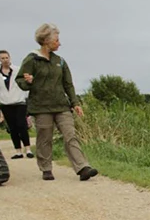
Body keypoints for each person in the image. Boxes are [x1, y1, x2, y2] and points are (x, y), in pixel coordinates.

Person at [15, 24, 97, 181]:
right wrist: (28, 81)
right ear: (46, 40)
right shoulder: (31, 60)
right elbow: (20, 81)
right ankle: (46, 168)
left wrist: (75, 103)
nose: (59, 43)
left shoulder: (60, 61)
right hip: (41, 107)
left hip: (61, 105)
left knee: (70, 135)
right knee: (45, 138)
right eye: (57, 40)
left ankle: (83, 167)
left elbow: (68, 84)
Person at [0, 50, 32, 159]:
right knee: (12, 128)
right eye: (2, 58)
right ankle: (18, 151)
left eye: (6, 57)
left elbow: (25, 82)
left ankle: (28, 149)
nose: (5, 60)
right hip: (5, 103)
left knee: (21, 125)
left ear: (10, 58)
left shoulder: (18, 70)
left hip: (19, 101)